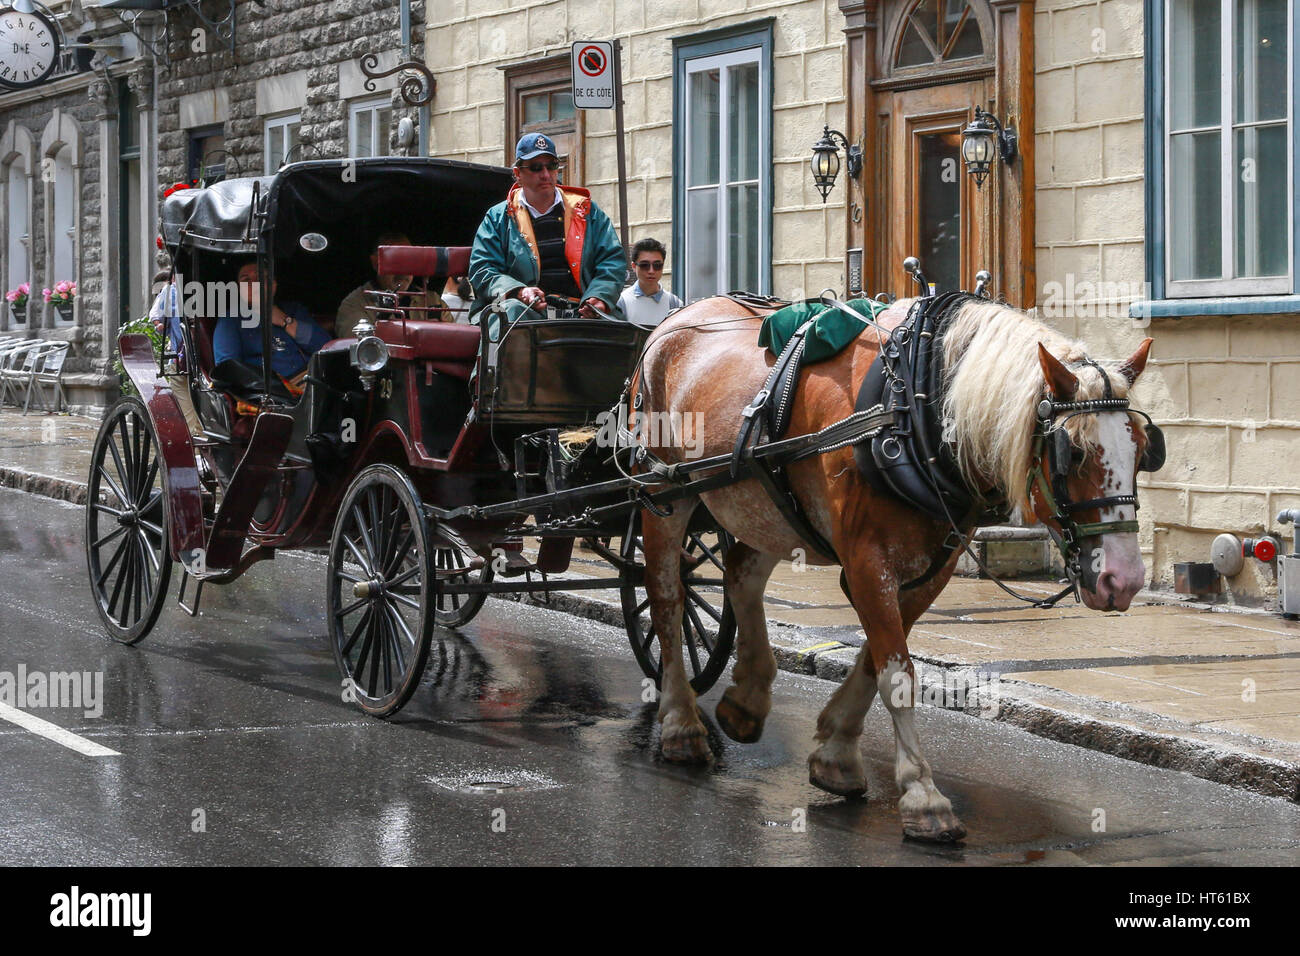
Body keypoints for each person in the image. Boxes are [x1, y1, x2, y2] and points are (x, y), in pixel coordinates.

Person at [468, 132, 627, 339]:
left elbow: (612, 261)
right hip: (527, 311)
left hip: (581, 311)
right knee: (510, 313)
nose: (545, 174)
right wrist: (519, 291)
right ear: (518, 173)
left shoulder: (587, 212)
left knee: (625, 335)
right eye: (535, 167)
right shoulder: (498, 217)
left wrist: (599, 297)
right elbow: (482, 268)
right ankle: (495, 372)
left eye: (551, 165)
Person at [213, 259, 329, 384]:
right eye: (246, 280)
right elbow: (228, 368)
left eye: (260, 277)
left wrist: (286, 321)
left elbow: (326, 347)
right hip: (272, 392)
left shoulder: (293, 310)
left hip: (313, 379)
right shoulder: (230, 320)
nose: (254, 284)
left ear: (273, 284)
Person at [336, 231, 426, 334]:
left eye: (408, 260)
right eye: (394, 261)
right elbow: (360, 346)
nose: (402, 270)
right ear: (375, 263)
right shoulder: (355, 304)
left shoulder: (433, 301)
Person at [617, 238, 683, 326]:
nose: (651, 271)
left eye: (657, 265)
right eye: (645, 265)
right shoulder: (621, 302)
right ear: (634, 266)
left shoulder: (675, 304)